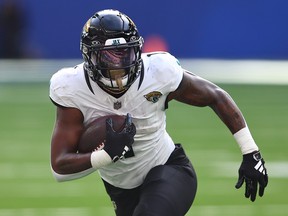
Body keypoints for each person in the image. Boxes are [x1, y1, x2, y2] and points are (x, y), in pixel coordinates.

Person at [49, 9, 268, 216]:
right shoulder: (72, 87)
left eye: (125, 54)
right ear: (89, 56)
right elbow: (60, 167)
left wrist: (251, 151)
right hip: (121, 189)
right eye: (108, 57)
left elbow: (215, 96)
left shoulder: (158, 71)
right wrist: (106, 155)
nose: (119, 66)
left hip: (168, 168)